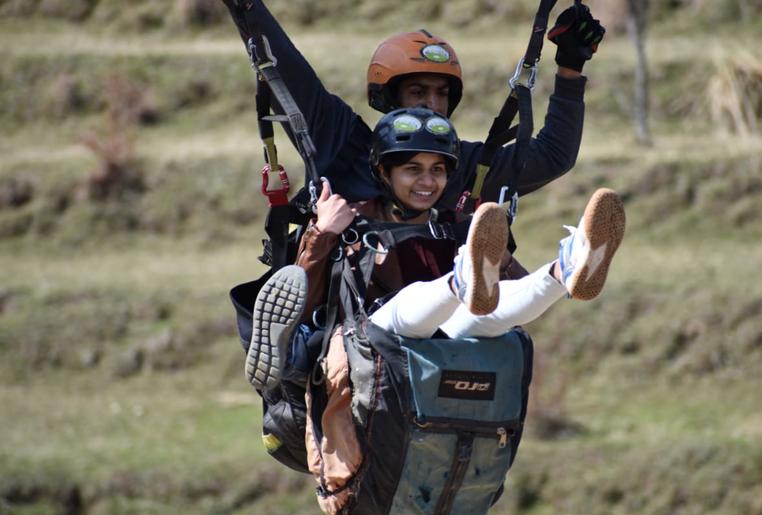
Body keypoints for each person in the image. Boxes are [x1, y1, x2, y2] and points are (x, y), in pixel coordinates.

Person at [245, 107, 625, 390]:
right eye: (413, 169)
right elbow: (302, 305)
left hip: (439, 354)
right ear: (383, 173)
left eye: (438, 170)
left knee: (483, 319)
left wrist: (502, 258)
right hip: (371, 343)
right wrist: (322, 234)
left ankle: (566, 269)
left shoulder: (452, 226)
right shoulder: (346, 221)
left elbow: (514, 307)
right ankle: (461, 282)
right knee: (407, 314)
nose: (427, 182)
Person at [220, 0, 605, 207]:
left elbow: (553, 156)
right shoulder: (343, 144)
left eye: (441, 94)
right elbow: (287, 70)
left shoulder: (467, 168)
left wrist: (570, 70)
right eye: (418, 93)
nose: (432, 105)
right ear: (390, 98)